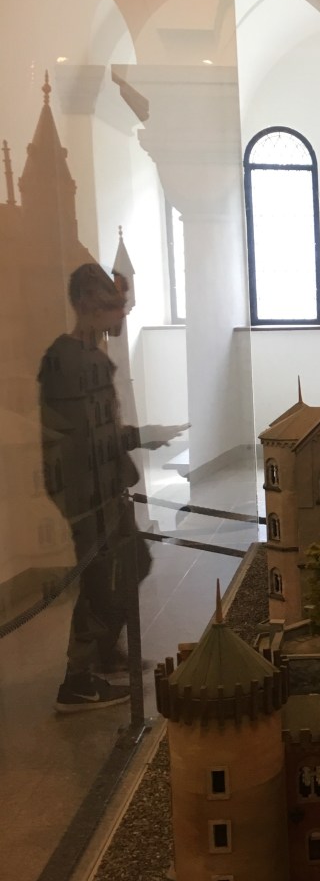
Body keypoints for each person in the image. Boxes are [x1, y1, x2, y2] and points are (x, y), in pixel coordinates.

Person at [38, 262, 154, 712]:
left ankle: (103, 653)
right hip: (88, 496)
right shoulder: (65, 360)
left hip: (106, 488)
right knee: (99, 581)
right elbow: (77, 441)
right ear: (88, 304)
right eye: (112, 306)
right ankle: (78, 679)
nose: (120, 315)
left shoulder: (93, 359)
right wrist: (140, 437)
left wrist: (135, 441)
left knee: (134, 561)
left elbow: (100, 432)